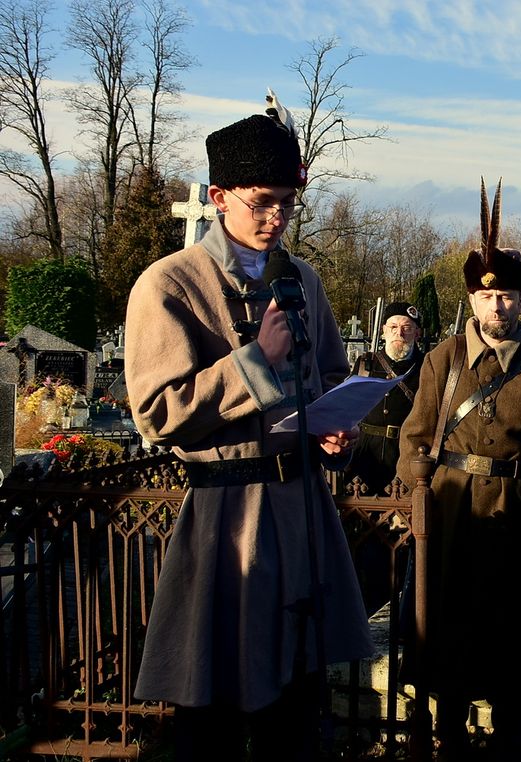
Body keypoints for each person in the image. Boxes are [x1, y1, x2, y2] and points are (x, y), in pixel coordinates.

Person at [125, 101, 373, 761]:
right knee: (212, 714)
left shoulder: (302, 280)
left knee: (297, 712)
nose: (277, 218)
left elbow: (328, 374)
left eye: (288, 204)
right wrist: (254, 363)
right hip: (226, 522)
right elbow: (159, 410)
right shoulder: (169, 285)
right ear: (217, 197)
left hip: (305, 516)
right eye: (263, 202)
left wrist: (335, 430)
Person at [396, 180, 521, 761]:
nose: (495, 307)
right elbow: (415, 437)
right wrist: (417, 498)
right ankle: (449, 737)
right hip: (450, 518)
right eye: (485, 298)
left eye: (506, 298)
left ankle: (510, 741)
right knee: (447, 641)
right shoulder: (442, 359)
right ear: (472, 301)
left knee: (512, 648)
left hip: (516, 523)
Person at [345, 302, 424, 496]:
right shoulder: (366, 365)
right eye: (394, 327)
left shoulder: (426, 367)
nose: (400, 333)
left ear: (417, 333)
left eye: (407, 328)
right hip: (365, 455)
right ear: (384, 331)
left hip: (405, 455)